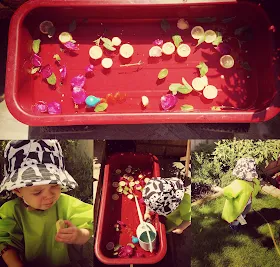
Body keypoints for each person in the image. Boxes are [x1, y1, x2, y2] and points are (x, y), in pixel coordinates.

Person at [0, 140, 93, 267]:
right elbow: (5, 242)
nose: (49, 196)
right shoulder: (12, 211)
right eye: (37, 192)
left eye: (54, 186)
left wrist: (80, 235)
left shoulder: (66, 204)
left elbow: (91, 222)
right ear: (17, 190)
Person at [222, 158, 261, 232]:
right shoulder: (246, 183)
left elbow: (228, 193)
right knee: (240, 215)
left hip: (243, 204)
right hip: (243, 204)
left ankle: (238, 222)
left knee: (241, 214)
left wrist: (218, 189)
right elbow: (227, 192)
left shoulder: (245, 183)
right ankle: (238, 222)